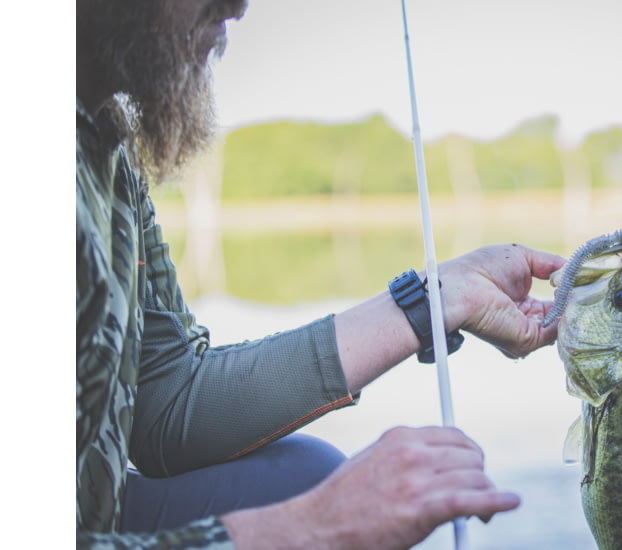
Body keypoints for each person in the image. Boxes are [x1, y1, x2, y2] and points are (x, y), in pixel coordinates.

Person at [76, 1, 566, 548]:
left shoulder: (108, 150)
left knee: (303, 476)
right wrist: (310, 528)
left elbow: (168, 401)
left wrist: (439, 298)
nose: (238, 6)